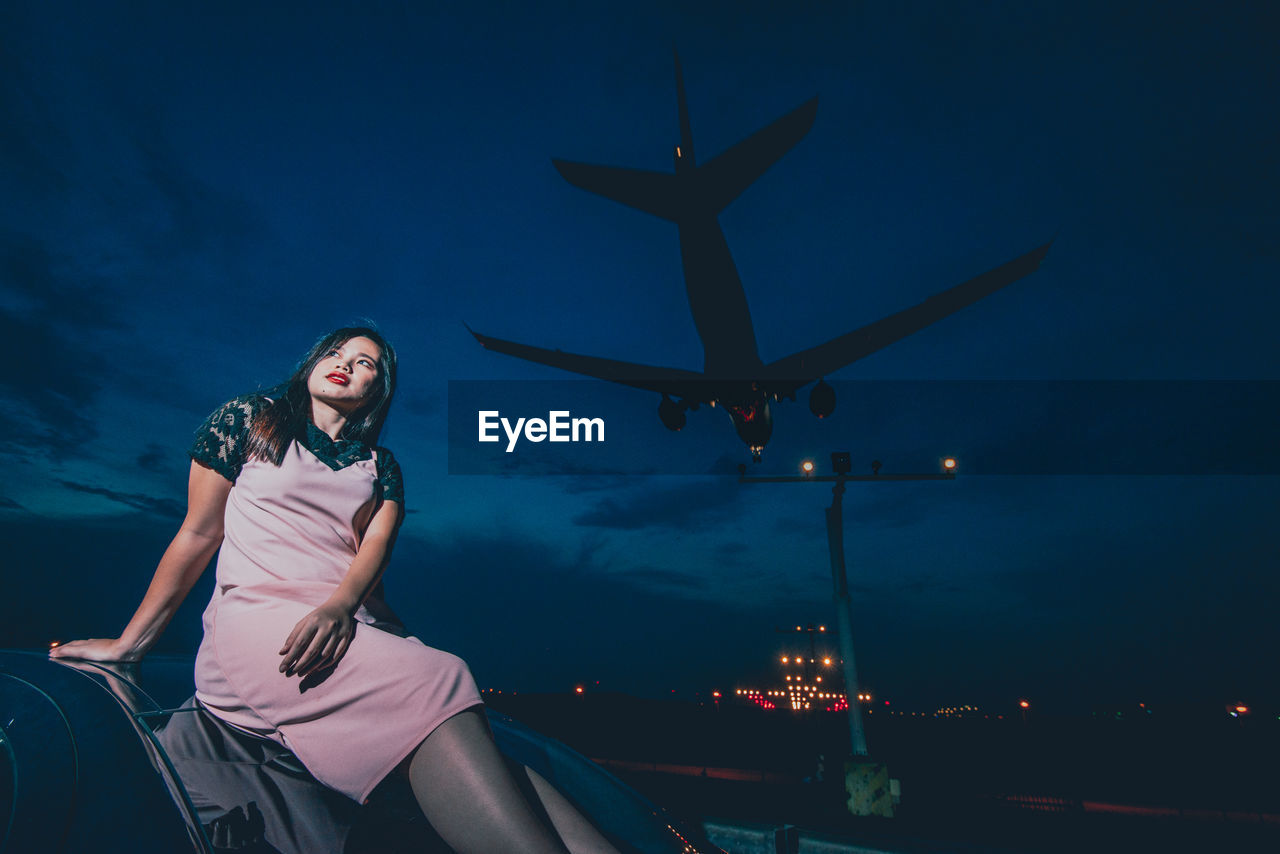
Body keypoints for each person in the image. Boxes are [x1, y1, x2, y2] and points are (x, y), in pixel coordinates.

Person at [51, 326, 617, 854]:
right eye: (335, 354)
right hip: (261, 622)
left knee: (487, 745)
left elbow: (372, 555)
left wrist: (347, 610)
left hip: (340, 620)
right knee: (445, 676)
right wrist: (131, 645)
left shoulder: (381, 466)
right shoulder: (250, 420)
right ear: (312, 365)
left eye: (364, 362)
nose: (346, 365)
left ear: (379, 388)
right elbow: (199, 533)